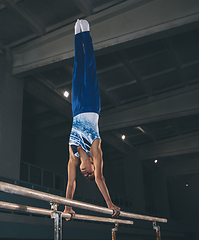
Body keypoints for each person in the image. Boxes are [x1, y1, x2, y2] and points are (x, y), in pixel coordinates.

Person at [64, 19, 120, 219]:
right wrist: (109, 203)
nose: (86, 173)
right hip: (92, 106)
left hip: (76, 108)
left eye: (84, 174)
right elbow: (100, 178)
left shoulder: (73, 156)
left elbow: (71, 183)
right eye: (90, 173)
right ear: (94, 167)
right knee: (89, 67)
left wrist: (68, 206)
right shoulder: (96, 152)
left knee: (77, 68)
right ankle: (86, 33)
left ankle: (76, 35)